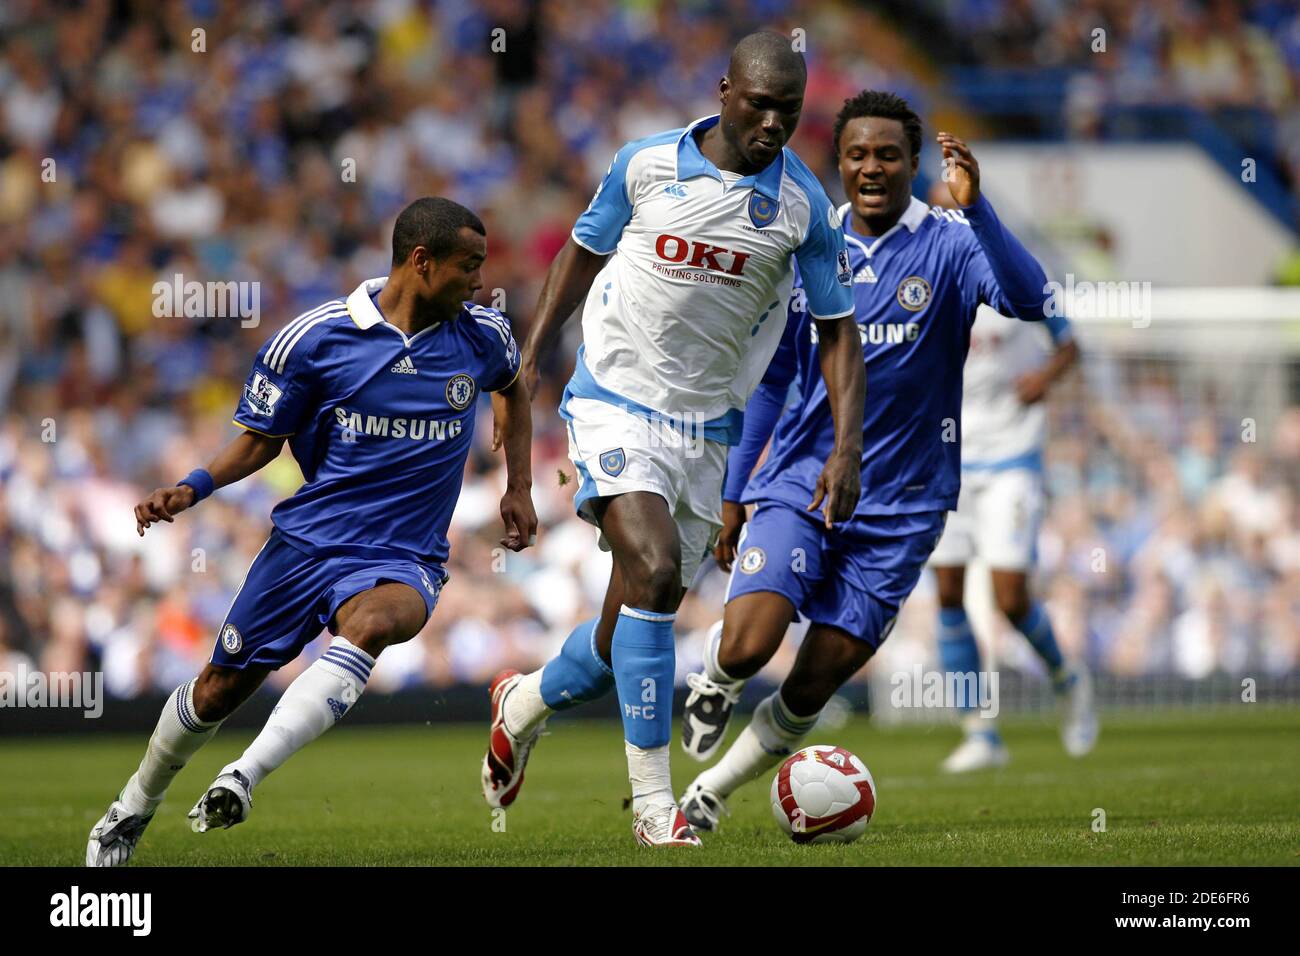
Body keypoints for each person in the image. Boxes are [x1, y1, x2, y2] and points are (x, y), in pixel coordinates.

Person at [480, 31, 862, 847]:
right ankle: (657, 809)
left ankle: (524, 702)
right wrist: (530, 357)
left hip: (708, 429)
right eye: (757, 104)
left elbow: (836, 332)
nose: (770, 123)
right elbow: (580, 254)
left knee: (626, 635)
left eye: (787, 111)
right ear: (723, 90)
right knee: (652, 572)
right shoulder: (645, 164)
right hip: (614, 400)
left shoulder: (803, 209)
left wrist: (846, 445)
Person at [86, 197, 536, 866]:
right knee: (215, 690)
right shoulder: (318, 339)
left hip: (403, 554)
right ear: (421, 261)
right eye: (468, 267)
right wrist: (192, 487)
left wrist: (520, 486)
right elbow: (260, 441)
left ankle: (245, 775)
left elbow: (514, 386)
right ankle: (131, 807)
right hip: (307, 545)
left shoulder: (483, 335)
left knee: (378, 623)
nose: (480, 281)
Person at [675, 90, 1056, 833]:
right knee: (750, 644)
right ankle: (717, 679)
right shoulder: (815, 248)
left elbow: (1033, 299)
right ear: (840, 163)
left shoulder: (950, 242)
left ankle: (711, 793)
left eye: (887, 154)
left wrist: (978, 209)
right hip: (803, 479)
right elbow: (774, 380)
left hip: (907, 506)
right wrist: (735, 490)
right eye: (857, 155)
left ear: (913, 164)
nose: (872, 167)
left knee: (813, 681)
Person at [925, 186, 1096, 773]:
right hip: (945, 458)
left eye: (957, 209)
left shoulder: (1012, 273)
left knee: (1009, 597)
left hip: (1010, 458)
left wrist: (1045, 377)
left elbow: (1069, 344)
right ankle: (979, 732)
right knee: (947, 591)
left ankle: (1065, 676)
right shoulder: (919, 269)